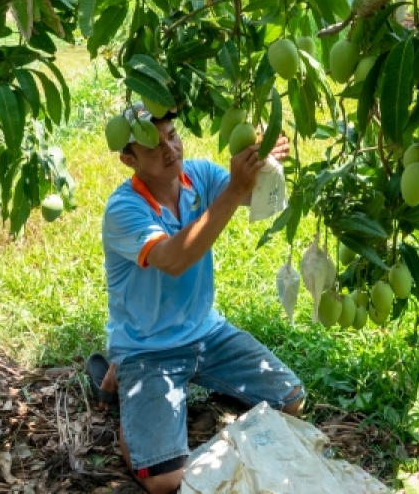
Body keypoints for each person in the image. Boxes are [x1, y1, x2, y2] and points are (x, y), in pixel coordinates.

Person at [88, 103, 303, 494]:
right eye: (153, 147)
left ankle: (150, 380)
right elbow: (173, 259)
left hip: (206, 333)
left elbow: (252, 197)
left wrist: (263, 164)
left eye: (172, 135)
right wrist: (236, 188)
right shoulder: (124, 209)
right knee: (165, 481)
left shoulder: (198, 176)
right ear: (128, 159)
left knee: (290, 400)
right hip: (148, 349)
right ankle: (129, 390)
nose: (169, 150)